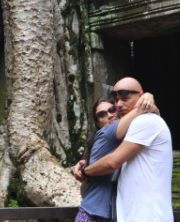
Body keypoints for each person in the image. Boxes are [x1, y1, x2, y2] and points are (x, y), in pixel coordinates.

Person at [81, 77, 173, 222]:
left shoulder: (145, 121)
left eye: (125, 99)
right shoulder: (124, 134)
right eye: (116, 100)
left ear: (141, 97)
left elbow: (112, 162)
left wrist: (84, 171)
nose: (118, 105)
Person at [72, 93, 156, 222]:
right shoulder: (107, 132)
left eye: (112, 110)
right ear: (98, 123)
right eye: (102, 114)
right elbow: (143, 110)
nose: (110, 115)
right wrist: (147, 97)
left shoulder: (127, 137)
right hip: (93, 215)